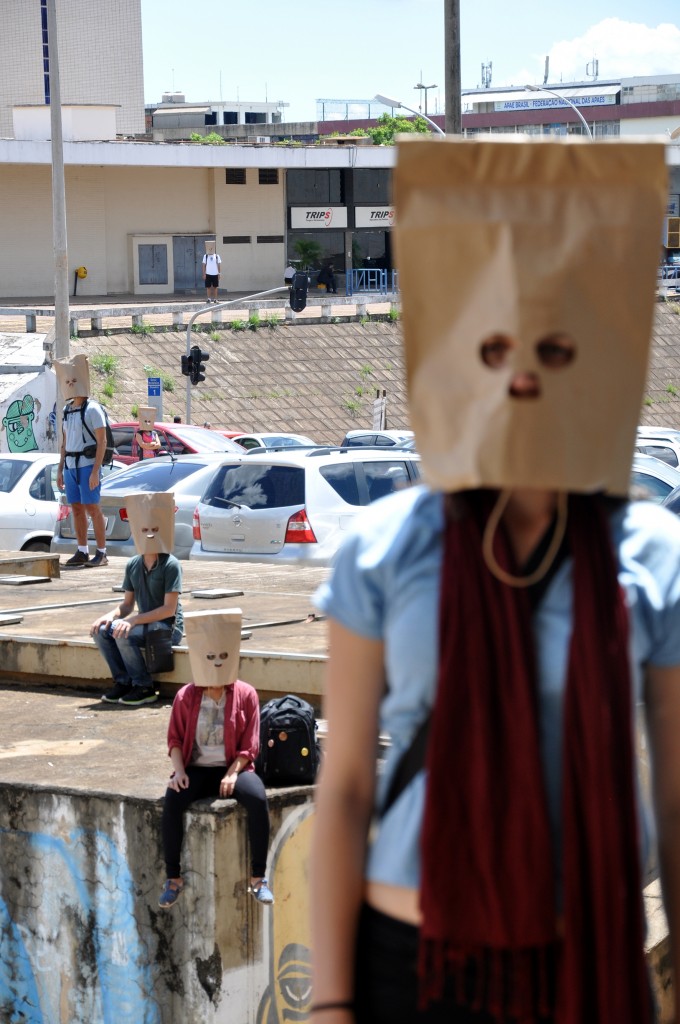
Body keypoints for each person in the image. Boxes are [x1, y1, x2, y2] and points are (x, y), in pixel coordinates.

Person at [310, 138, 680, 1024]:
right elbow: (348, 784)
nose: (522, 376)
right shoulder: (384, 547)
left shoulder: (654, 551)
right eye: (494, 347)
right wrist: (329, 1003)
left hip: (583, 963)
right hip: (409, 966)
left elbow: (673, 787)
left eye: (557, 349)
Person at [158, 608, 274, 909]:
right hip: (197, 768)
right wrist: (179, 771)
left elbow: (250, 746)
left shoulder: (246, 694)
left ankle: (258, 878)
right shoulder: (186, 696)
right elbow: (174, 740)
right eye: (209, 657)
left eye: (223, 655)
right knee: (172, 800)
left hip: (233, 766)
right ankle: (173, 878)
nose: (217, 662)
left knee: (258, 798)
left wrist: (234, 773)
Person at [91, 492, 183, 707]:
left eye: (154, 529)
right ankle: (124, 681)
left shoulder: (171, 564)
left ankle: (144, 686)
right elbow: (126, 605)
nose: (149, 534)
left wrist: (132, 621)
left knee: (123, 632)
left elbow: (169, 610)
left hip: (168, 627)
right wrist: (107, 616)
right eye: (144, 530)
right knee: (102, 631)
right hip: (144, 623)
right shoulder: (133, 564)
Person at [54, 354, 109, 568]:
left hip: (87, 465)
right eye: (67, 381)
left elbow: (102, 441)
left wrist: (96, 470)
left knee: (92, 507)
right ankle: (82, 550)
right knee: (76, 508)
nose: (70, 384)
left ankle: (102, 553)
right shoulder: (67, 410)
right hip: (70, 465)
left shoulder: (93, 408)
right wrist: (60, 469)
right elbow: (64, 442)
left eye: (73, 381)